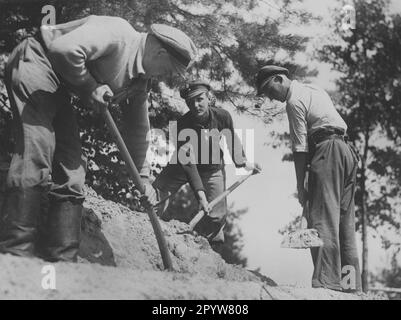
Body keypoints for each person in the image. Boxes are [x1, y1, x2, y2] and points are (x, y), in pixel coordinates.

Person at [0, 15, 197, 262]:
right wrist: (89, 85)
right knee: (37, 151)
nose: (163, 78)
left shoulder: (139, 82)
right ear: (159, 52)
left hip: (59, 86)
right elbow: (63, 49)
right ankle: (15, 254)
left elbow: (137, 131)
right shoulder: (118, 33)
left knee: (73, 171)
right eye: (167, 71)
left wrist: (143, 179)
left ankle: (63, 261)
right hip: (37, 62)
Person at [255, 65, 362, 292]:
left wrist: (301, 186)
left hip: (329, 151)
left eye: (268, 89)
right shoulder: (312, 88)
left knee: (322, 220)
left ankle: (328, 284)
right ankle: (351, 286)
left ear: (279, 78)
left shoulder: (293, 102)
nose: (270, 97)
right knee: (345, 224)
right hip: (347, 152)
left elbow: (300, 149)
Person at [153, 80, 261, 252]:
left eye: (200, 99)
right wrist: (201, 196)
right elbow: (188, 163)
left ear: (208, 98)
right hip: (182, 166)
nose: (196, 105)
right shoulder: (182, 125)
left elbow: (232, 140)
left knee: (217, 217)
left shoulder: (222, 116)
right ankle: (148, 228)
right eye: (190, 102)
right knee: (158, 190)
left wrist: (245, 164)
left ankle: (208, 254)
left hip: (212, 169)